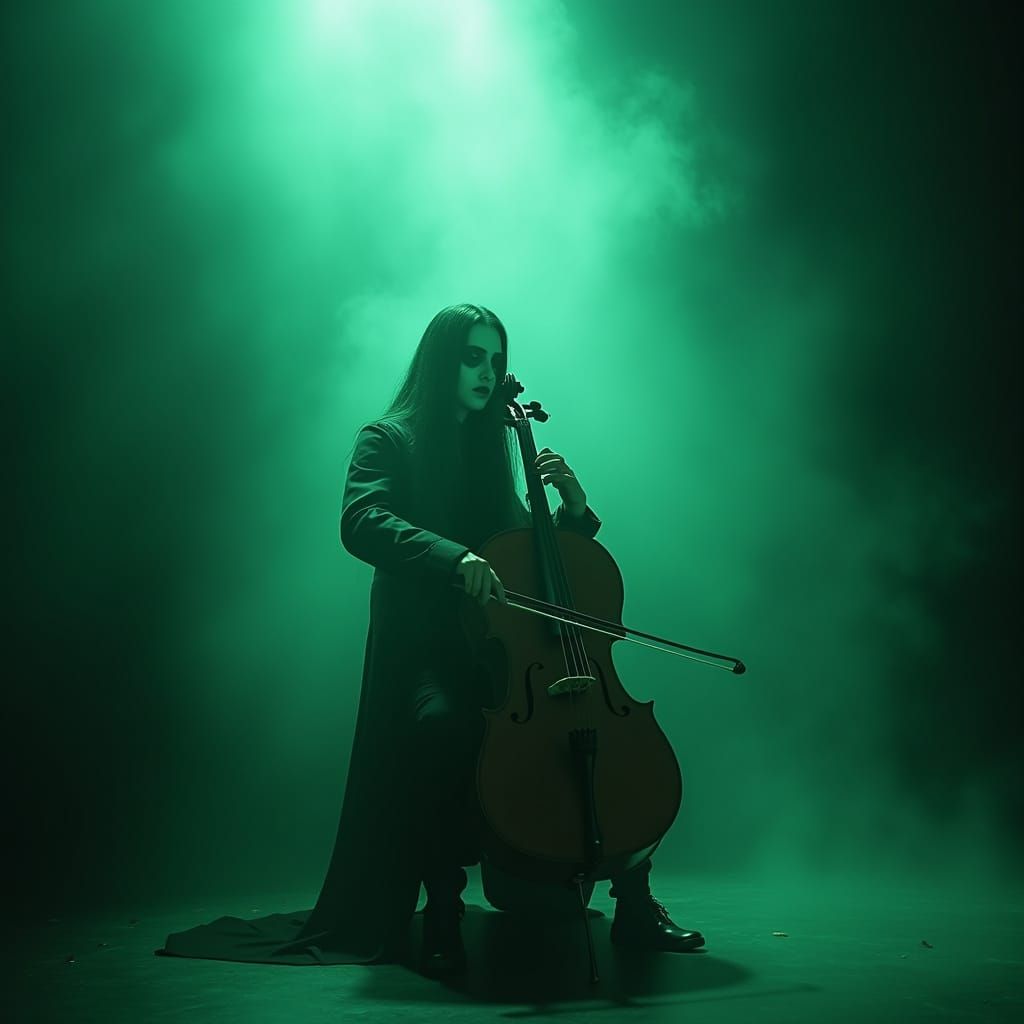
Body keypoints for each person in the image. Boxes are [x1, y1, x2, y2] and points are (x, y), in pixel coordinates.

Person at [157, 303, 703, 974]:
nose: (488, 372)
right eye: (473, 357)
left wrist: (571, 514)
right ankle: (441, 911)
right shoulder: (388, 438)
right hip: (428, 652)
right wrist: (455, 558)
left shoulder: (488, 448)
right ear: (442, 359)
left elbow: (525, 557)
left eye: (496, 359)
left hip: (500, 654)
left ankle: (636, 905)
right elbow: (362, 520)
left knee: (588, 732)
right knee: (445, 730)